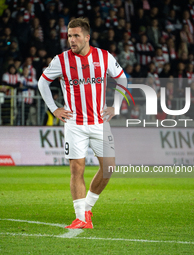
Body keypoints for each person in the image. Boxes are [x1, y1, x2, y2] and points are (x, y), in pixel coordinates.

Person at [38, 18, 127, 229]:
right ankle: (80, 217)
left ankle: (87, 207)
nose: (72, 40)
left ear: (87, 37)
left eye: (76, 35)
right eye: (69, 36)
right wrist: (54, 108)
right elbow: (43, 82)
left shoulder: (104, 56)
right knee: (77, 168)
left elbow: (122, 78)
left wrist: (116, 106)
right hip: (74, 123)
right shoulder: (61, 60)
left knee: (109, 168)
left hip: (99, 122)